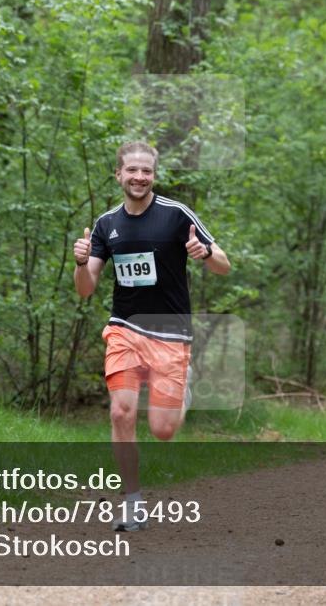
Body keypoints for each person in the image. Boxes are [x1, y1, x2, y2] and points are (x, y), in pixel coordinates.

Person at [73, 141, 231, 531]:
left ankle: (183, 390)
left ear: (153, 176)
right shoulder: (106, 224)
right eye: (132, 170)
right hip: (124, 328)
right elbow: (86, 288)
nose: (139, 177)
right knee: (120, 411)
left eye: (146, 171)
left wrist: (204, 253)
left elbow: (225, 266)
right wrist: (78, 263)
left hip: (170, 332)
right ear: (119, 175)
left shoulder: (176, 215)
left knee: (163, 430)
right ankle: (132, 502)